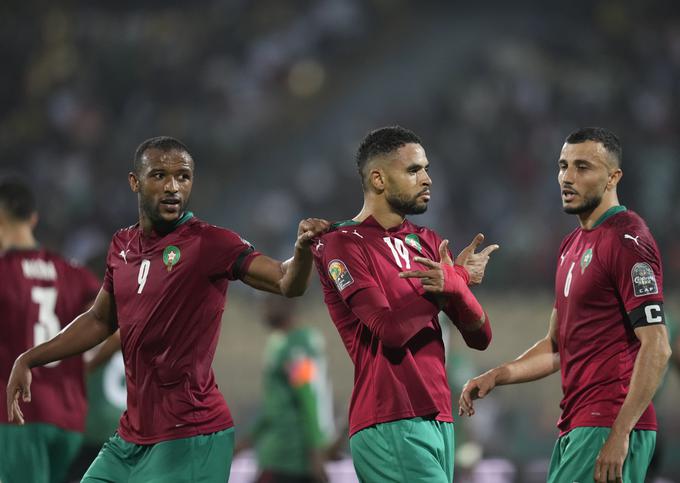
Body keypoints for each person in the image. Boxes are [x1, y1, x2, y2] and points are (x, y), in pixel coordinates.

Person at [6, 136, 330, 483]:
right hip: (130, 437)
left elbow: (286, 282)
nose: (173, 187)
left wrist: (302, 253)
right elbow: (100, 319)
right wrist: (29, 358)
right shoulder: (122, 246)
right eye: (159, 175)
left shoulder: (210, 243)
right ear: (135, 182)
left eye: (183, 177)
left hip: (190, 435)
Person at [459, 127, 672, 483]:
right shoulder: (571, 245)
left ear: (612, 177)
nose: (567, 177)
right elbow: (557, 347)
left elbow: (658, 345)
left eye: (583, 167)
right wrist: (498, 375)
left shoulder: (628, 240)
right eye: (563, 166)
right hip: (577, 425)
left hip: (608, 424)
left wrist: (620, 434)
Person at [311, 126, 498, 482]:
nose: (427, 179)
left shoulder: (426, 242)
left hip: (438, 417)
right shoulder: (345, 244)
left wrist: (457, 288)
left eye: (426, 169)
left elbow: (481, 336)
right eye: (413, 170)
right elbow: (390, 331)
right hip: (390, 418)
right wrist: (452, 281)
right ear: (378, 179)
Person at [0, 178, 101, 483]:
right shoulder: (70, 271)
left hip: (18, 416)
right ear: (33, 218)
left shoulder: (4, 272)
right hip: (68, 419)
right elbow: (118, 315)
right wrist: (88, 361)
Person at [237, 296, 334, 483]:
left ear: (289, 305)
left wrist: (315, 450)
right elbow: (275, 405)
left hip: (289, 454)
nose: (263, 306)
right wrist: (250, 438)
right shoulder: (281, 342)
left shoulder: (296, 346)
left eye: (270, 300)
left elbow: (307, 395)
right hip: (279, 451)